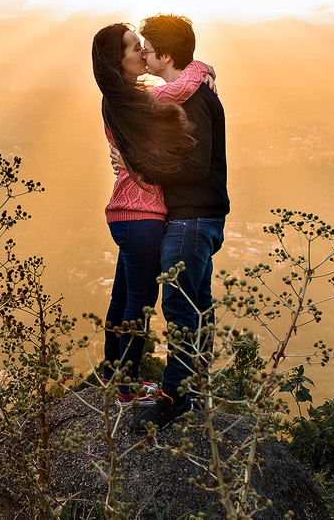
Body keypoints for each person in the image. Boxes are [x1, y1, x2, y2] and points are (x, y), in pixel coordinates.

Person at [90, 22, 215, 407]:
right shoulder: (128, 99)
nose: (141, 54)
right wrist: (200, 68)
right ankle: (125, 387)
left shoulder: (124, 96)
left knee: (124, 297)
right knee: (139, 302)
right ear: (117, 61)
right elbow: (177, 90)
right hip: (141, 216)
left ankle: (115, 377)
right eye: (133, 49)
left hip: (128, 214)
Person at [126, 14, 229, 432]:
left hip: (193, 218)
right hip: (200, 216)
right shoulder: (188, 92)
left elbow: (197, 164)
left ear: (165, 54)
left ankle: (174, 397)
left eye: (147, 49)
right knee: (198, 305)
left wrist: (148, 172)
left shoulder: (194, 101)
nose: (145, 56)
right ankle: (197, 386)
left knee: (178, 307)